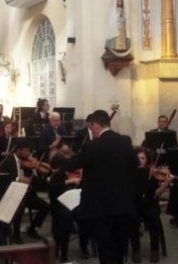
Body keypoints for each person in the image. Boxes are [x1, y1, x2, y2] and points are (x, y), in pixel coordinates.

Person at [59, 110, 137, 264]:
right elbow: (135, 164)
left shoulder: (92, 146)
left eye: (91, 128)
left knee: (106, 248)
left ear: (95, 125)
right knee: (120, 248)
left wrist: (61, 155)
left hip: (102, 208)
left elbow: (72, 164)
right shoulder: (125, 142)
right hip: (123, 205)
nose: (91, 132)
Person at [0, 139, 49, 244]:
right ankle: (15, 234)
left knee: (46, 206)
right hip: (13, 193)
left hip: (27, 193)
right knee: (20, 207)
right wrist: (18, 179)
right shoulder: (8, 160)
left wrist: (36, 169)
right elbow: (4, 177)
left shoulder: (28, 162)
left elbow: (36, 182)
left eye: (28, 151)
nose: (28, 154)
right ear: (18, 151)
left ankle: (32, 228)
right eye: (25, 151)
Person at [130, 147, 173, 263]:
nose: (140, 161)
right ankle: (135, 250)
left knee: (153, 218)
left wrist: (166, 183)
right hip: (135, 203)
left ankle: (155, 249)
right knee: (132, 219)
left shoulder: (152, 172)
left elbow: (157, 194)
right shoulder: (130, 172)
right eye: (138, 158)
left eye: (143, 158)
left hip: (150, 203)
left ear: (147, 160)